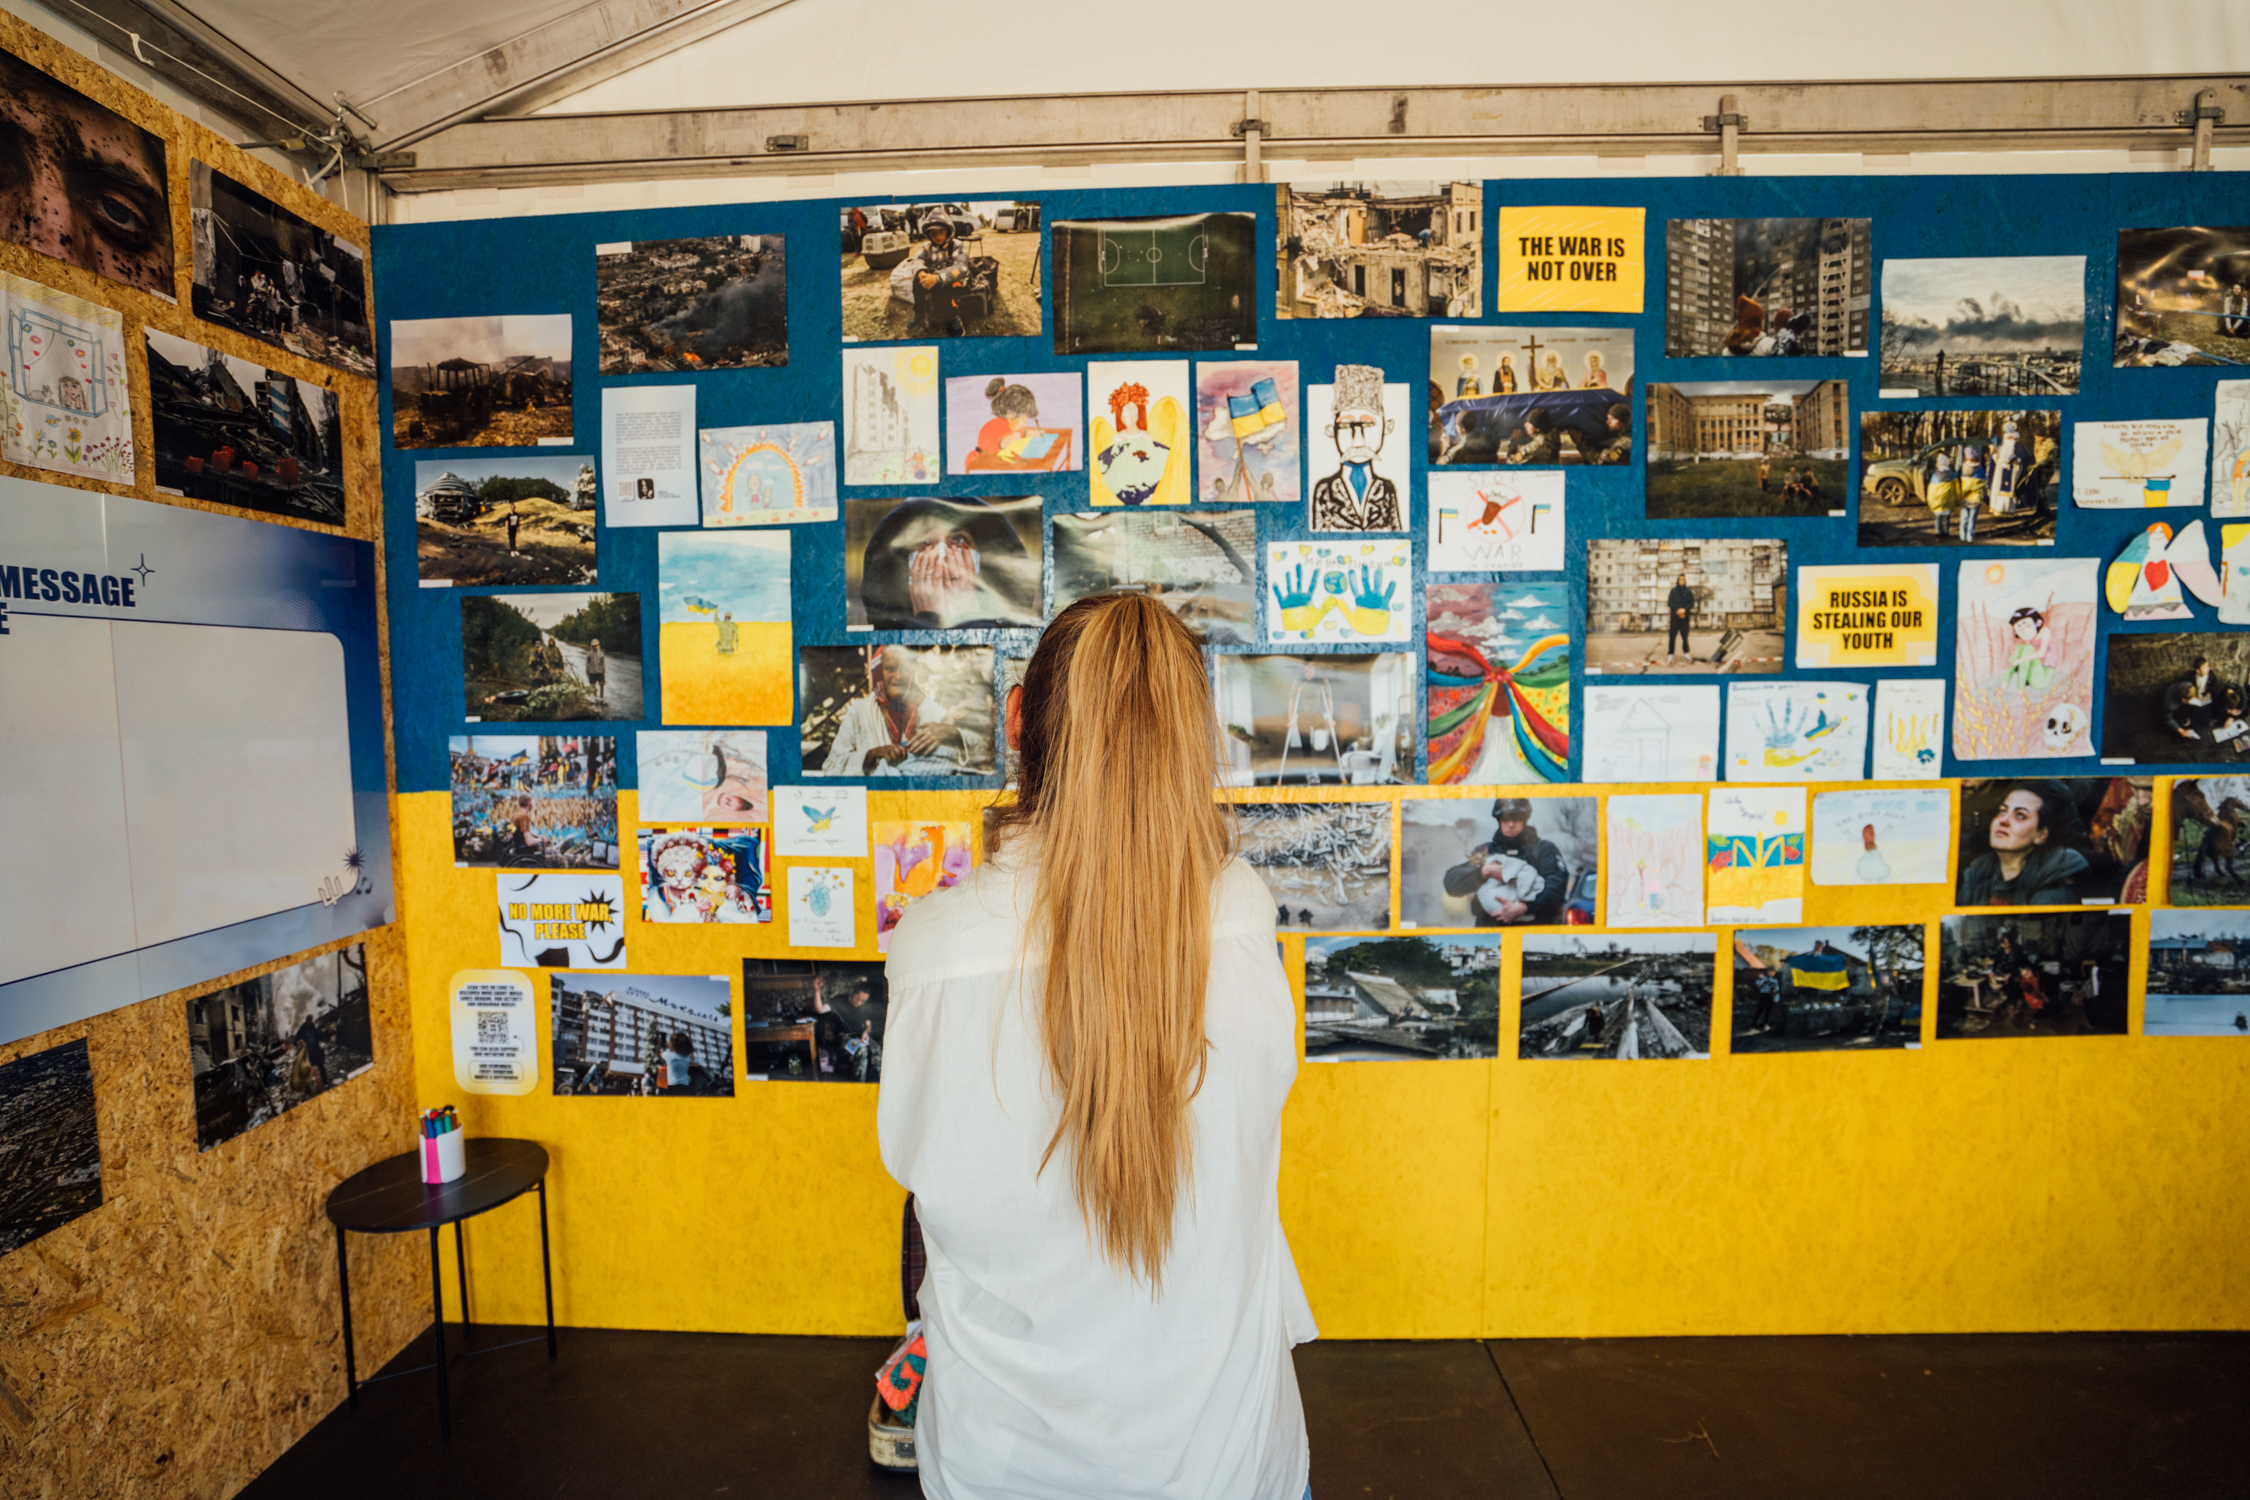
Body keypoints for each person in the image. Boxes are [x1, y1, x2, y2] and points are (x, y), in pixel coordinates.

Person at [878, 593, 1313, 1500]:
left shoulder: (932, 948)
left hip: (1006, 1469)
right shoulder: (1237, 913)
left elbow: (929, 1202)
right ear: (1192, 739)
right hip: (1230, 1465)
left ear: (1016, 722)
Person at [821, 645, 989, 776]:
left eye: (905, 669)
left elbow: (986, 749)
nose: (898, 676)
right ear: (880, 671)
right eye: (890, 668)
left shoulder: (930, 710)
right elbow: (831, 767)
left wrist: (954, 733)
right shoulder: (858, 712)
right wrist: (870, 756)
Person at [1958, 780, 2090, 907]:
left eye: (2020, 815)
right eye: (2002, 811)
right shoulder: (1977, 873)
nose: (2003, 820)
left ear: (2041, 835)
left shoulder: (2053, 891)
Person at [1440, 798, 1569, 926]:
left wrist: (1525, 907)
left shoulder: (1544, 850)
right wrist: (1484, 871)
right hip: (1491, 933)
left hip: (1533, 932)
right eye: (1506, 819)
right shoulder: (1484, 852)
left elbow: (1557, 888)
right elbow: (1451, 883)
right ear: (1499, 820)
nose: (1511, 824)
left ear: (1525, 820)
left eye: (1517, 818)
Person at [1309, 364, 1402, 532]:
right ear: (1332, 431)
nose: (1358, 440)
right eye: (1345, 425)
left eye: (1368, 424)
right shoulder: (1325, 491)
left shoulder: (1386, 490)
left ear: (1386, 428)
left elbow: (1398, 535)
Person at [908, 216, 972, 337]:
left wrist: (937, 278)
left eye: (941, 231)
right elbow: (917, 259)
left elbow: (962, 267)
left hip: (955, 282)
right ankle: (919, 313)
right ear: (928, 234)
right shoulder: (927, 247)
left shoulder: (956, 245)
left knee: (944, 289)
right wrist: (921, 272)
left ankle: (954, 318)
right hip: (935, 280)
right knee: (917, 281)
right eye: (933, 233)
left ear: (948, 230)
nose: (937, 236)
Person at [2165, 656, 2221, 740]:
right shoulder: (2171, 704)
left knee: (2205, 721)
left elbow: (2212, 686)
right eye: (2205, 667)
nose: (2208, 669)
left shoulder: (2186, 684)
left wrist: (2205, 693)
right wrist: (2179, 730)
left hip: (2200, 697)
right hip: (2191, 698)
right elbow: (2166, 717)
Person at [1957, 443, 1988, 542]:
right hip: (1976, 498)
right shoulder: (1981, 469)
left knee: (1964, 516)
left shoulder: (1964, 469)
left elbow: (1964, 484)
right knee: (1972, 518)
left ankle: (1962, 535)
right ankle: (1970, 537)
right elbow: (1983, 484)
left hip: (1966, 496)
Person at [1666, 574, 1696, 664]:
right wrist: (1678, 610)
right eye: (1680, 579)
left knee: (1685, 637)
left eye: (1683, 579)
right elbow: (1670, 603)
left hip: (1685, 618)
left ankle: (1687, 654)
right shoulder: (1673, 591)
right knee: (1672, 637)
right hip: (1675, 618)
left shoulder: (1688, 591)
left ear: (1685, 581)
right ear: (1678, 581)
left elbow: (1692, 603)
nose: (1682, 581)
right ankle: (1670, 655)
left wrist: (1684, 609)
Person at [585, 637, 606, 702]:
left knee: (601, 685)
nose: (595, 647)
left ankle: (602, 698)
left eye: (597, 645)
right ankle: (595, 698)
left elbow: (603, 663)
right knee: (593, 686)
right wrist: (587, 672)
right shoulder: (589, 654)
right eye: (594, 646)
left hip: (600, 672)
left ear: (598, 645)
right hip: (592, 672)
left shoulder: (601, 654)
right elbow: (587, 664)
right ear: (592, 646)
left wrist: (604, 672)